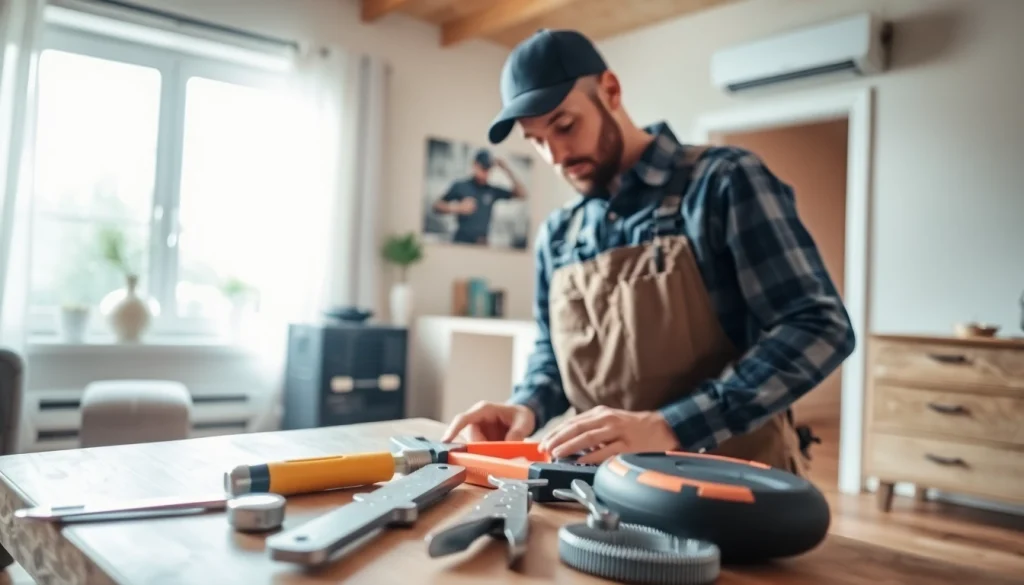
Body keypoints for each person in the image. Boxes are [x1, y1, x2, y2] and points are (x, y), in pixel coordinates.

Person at [440, 29, 856, 475]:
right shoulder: (559, 234)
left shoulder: (723, 182)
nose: (556, 154)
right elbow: (552, 354)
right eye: (536, 140)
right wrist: (526, 405)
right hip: (602, 487)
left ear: (611, 91)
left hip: (734, 484)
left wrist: (669, 426)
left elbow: (818, 325)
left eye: (565, 125)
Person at [432, 148, 526, 245]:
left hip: (481, 243)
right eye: (483, 168)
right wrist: (457, 208)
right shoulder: (460, 186)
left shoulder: (492, 191)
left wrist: (506, 169)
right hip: (461, 241)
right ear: (475, 165)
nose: (486, 173)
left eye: (488, 169)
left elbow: (522, 194)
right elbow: (436, 206)